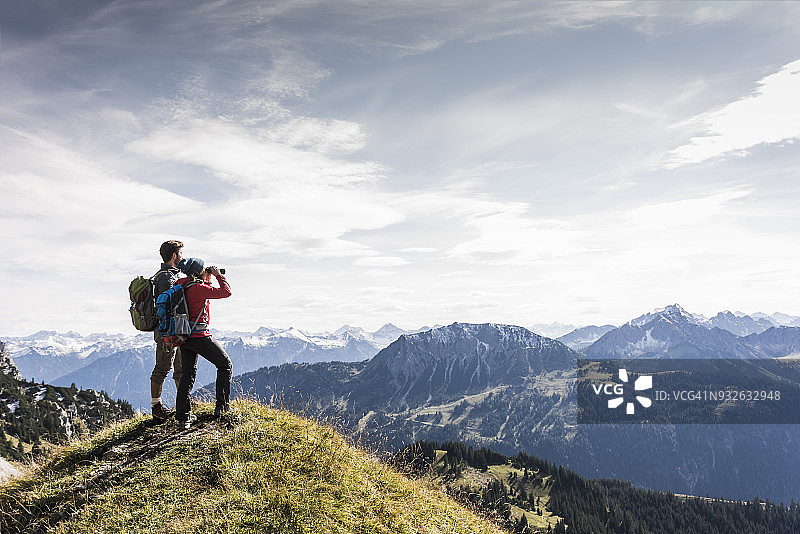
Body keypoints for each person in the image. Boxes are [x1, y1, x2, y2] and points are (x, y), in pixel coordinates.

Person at [174, 257, 233, 429]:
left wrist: (205, 277)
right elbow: (226, 292)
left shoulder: (183, 285)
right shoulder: (198, 289)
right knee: (225, 365)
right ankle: (222, 408)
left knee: (187, 374)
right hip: (200, 336)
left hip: (185, 338)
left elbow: (199, 291)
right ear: (197, 273)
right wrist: (217, 276)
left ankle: (182, 417)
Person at [151, 240, 184, 421]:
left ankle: (183, 400)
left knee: (180, 367)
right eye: (180, 254)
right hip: (167, 330)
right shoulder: (165, 277)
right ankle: (156, 408)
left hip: (175, 329)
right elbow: (166, 305)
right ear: (174, 256)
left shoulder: (171, 275)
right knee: (163, 367)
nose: (182, 257)